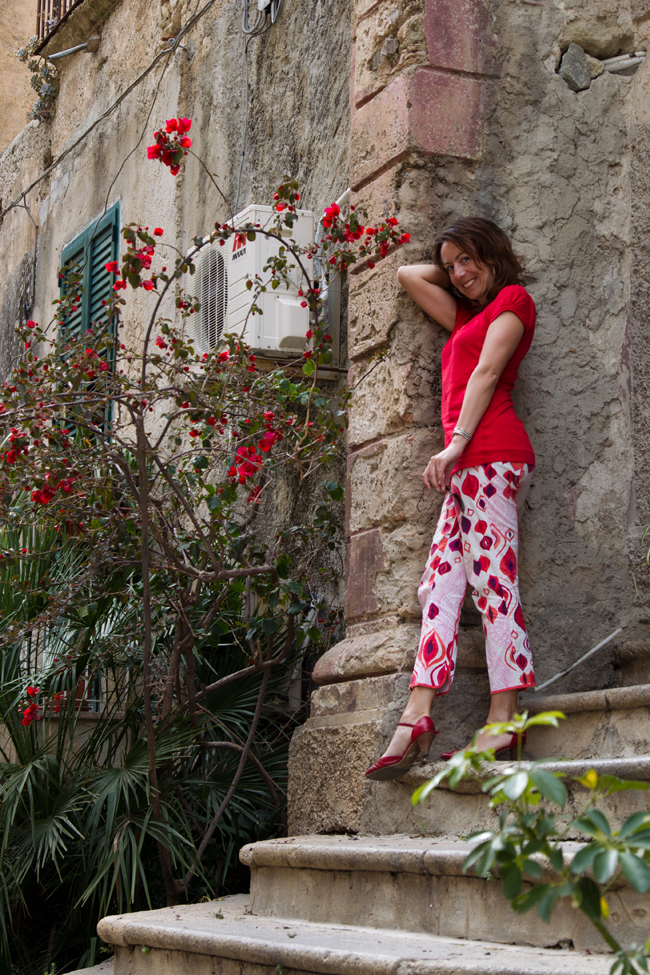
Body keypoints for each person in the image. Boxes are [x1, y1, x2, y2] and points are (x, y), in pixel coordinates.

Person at [365, 217, 536, 781]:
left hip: (491, 455)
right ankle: (417, 713)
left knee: (493, 584)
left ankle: (504, 718)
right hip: (465, 467)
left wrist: (456, 443)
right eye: (451, 264)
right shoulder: (467, 316)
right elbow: (408, 275)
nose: (458, 274)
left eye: (468, 259)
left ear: (492, 253)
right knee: (438, 585)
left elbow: (487, 373)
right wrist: (455, 270)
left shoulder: (513, 301)